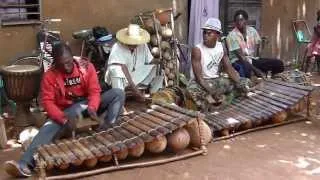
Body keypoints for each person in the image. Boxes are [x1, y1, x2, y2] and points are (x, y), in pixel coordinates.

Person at [4, 43, 125, 178]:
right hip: (67, 112)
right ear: (56, 63)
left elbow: (95, 91)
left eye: (68, 62)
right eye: (62, 64)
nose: (67, 67)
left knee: (118, 93)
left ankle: (106, 130)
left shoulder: (86, 67)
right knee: (49, 127)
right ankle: (25, 164)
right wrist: (63, 118)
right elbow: (48, 103)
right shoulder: (49, 76)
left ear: (72, 58)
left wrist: (92, 107)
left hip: (87, 105)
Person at [187, 17, 247, 111]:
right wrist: (212, 92)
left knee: (244, 82)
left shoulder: (221, 47)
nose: (205, 35)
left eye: (209, 33)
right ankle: (209, 107)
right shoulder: (197, 50)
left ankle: (225, 102)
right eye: (204, 32)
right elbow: (199, 78)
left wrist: (240, 83)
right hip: (202, 83)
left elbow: (229, 68)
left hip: (216, 80)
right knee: (192, 90)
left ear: (217, 35)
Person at [105, 24, 162, 101]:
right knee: (116, 70)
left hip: (136, 75)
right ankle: (119, 101)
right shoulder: (117, 47)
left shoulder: (142, 45)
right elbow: (123, 68)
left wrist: (159, 61)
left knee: (159, 69)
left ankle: (154, 97)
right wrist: (137, 92)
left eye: (135, 42)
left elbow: (150, 60)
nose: (134, 45)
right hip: (122, 78)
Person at [226, 9, 284, 78]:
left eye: (241, 19)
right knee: (246, 70)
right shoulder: (231, 36)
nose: (239, 22)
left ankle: (266, 74)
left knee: (279, 64)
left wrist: (262, 45)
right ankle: (258, 73)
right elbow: (242, 58)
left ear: (246, 20)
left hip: (252, 59)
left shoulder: (252, 31)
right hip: (239, 61)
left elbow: (258, 47)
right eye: (236, 20)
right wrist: (256, 70)